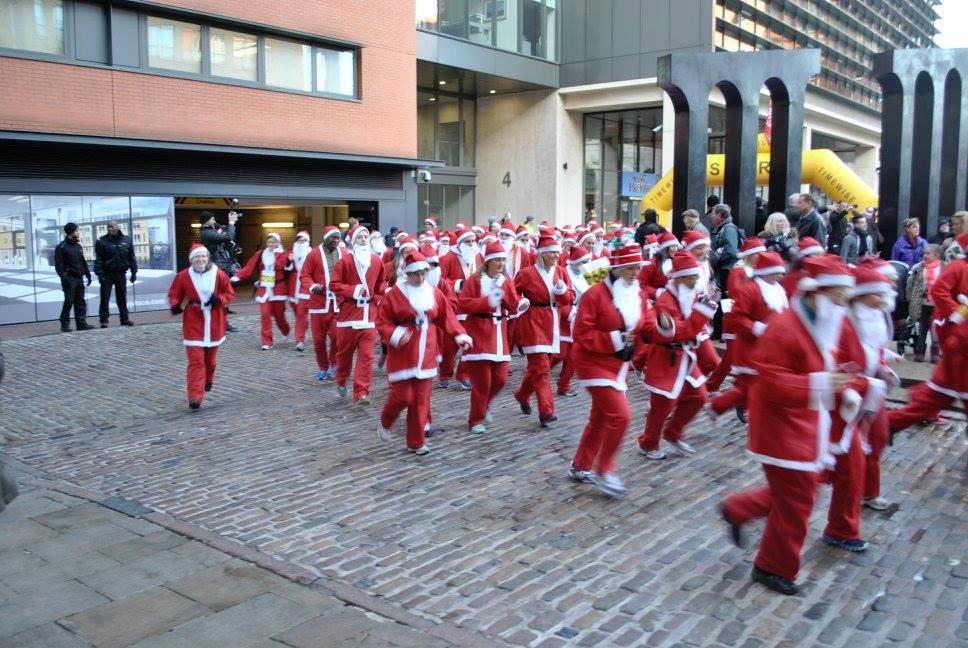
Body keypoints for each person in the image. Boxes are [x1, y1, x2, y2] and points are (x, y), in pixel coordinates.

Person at [720, 255, 890, 595]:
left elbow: (835, 362)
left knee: (798, 492)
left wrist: (850, 381)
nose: (844, 303)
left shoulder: (821, 320)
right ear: (818, 293)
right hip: (782, 429)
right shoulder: (786, 328)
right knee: (797, 499)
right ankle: (772, 566)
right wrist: (824, 384)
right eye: (839, 296)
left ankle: (739, 512)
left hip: (806, 424)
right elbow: (769, 382)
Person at [570, 243, 672, 497]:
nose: (636, 272)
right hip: (593, 362)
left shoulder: (637, 294)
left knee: (601, 416)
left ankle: (580, 465)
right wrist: (615, 339)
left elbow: (646, 328)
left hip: (619, 364)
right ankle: (605, 469)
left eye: (638, 267)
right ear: (616, 269)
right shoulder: (595, 295)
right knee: (620, 415)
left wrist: (664, 326)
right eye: (630, 268)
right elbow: (581, 333)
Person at [376, 250, 471, 455]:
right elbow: (382, 321)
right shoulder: (395, 293)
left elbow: (447, 316)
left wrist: (459, 335)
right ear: (407, 274)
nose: (419, 278)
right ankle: (386, 421)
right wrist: (396, 334)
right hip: (403, 350)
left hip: (426, 350)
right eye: (415, 274)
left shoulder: (433, 291)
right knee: (403, 396)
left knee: (420, 400)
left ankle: (416, 442)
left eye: (423, 273)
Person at [637, 252, 719, 459]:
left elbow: (691, 328)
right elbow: (682, 331)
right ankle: (649, 443)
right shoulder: (666, 301)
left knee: (699, 396)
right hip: (667, 359)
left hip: (684, 356)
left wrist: (705, 305)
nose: (695, 280)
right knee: (661, 407)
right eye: (691, 277)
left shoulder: (688, 295)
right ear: (680, 277)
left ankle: (673, 432)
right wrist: (703, 312)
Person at [888, 232, 968, 429]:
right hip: (957, 336)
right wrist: (956, 313)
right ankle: (886, 425)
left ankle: (888, 425)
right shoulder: (958, 267)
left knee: (934, 396)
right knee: (936, 395)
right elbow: (939, 290)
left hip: (960, 341)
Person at [458, 241, 528, 434]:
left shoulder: (505, 279)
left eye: (503, 260)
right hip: (479, 332)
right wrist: (487, 301)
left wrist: (505, 291)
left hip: (499, 333)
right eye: (497, 260)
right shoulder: (475, 280)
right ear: (488, 262)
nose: (500, 264)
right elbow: (463, 304)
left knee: (501, 378)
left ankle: (485, 405)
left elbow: (513, 304)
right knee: (482, 382)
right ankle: (475, 419)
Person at [708, 252, 788, 418]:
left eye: (781, 273)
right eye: (776, 273)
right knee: (749, 385)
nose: (780, 277)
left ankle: (736, 406)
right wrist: (757, 328)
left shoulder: (778, 290)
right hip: (750, 346)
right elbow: (737, 316)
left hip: (767, 347)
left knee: (755, 383)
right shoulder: (751, 289)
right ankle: (719, 405)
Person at [848, 266, 900, 512]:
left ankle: (869, 492)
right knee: (852, 448)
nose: (882, 298)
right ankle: (850, 494)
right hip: (853, 392)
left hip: (874, 389)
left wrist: (883, 366)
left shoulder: (875, 316)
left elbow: (874, 349)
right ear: (862, 294)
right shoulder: (848, 319)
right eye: (877, 294)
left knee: (877, 438)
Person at [513, 235, 575, 427]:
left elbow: (569, 298)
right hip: (533, 320)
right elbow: (513, 292)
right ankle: (546, 411)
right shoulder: (526, 273)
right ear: (542, 254)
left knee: (539, 367)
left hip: (552, 321)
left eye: (557, 252)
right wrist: (520, 302)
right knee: (542, 369)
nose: (556, 255)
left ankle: (522, 394)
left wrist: (561, 290)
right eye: (552, 252)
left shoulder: (562, 272)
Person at [168, 244, 236, 409]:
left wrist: (219, 299)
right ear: (192, 260)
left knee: (210, 362)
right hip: (194, 321)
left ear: (207, 258)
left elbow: (229, 293)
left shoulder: (218, 274)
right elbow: (174, 294)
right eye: (197, 257)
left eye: (203, 257)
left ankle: (208, 379)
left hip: (214, 321)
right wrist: (176, 305)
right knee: (196, 361)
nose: (201, 260)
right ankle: (195, 397)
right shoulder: (183, 276)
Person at [330, 226, 387, 404]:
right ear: (353, 241)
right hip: (348, 316)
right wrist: (352, 290)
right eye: (360, 238)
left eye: (366, 237)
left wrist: (378, 298)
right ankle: (341, 378)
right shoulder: (344, 262)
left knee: (366, 356)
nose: (364, 240)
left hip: (369, 316)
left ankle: (362, 391)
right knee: (345, 355)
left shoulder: (377, 261)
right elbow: (334, 284)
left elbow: (380, 285)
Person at [706, 236, 767, 396]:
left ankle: (733, 386)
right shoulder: (738, 271)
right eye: (758, 254)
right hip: (735, 318)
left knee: (736, 357)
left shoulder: (757, 272)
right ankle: (714, 385)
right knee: (731, 356)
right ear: (749, 255)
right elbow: (736, 293)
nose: (761, 258)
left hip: (748, 319)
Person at [299, 227, 346, 379]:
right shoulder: (313, 254)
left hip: (338, 302)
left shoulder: (344, 254)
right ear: (326, 238)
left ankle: (334, 362)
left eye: (338, 238)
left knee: (336, 336)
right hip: (319, 303)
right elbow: (304, 275)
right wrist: (313, 286)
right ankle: (322, 366)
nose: (336, 241)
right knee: (319, 339)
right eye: (333, 238)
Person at [233, 233, 293, 350]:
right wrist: (239, 276)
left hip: (277, 289)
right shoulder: (260, 254)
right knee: (265, 315)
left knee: (279, 316)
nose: (271, 244)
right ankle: (267, 341)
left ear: (278, 243)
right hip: (264, 289)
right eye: (269, 242)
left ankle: (285, 330)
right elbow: (249, 266)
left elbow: (282, 266)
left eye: (273, 242)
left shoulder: (283, 254)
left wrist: (277, 255)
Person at [438, 227, 480, 389]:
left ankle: (463, 374)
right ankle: (445, 372)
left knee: (471, 342)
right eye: (467, 241)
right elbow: (440, 279)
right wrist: (456, 285)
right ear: (460, 243)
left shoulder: (477, 257)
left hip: (472, 306)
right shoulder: (448, 257)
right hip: (454, 305)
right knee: (450, 346)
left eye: (472, 241)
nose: (471, 244)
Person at [199, 210, 241, 333]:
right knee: (219, 296)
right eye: (212, 219)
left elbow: (227, 238)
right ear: (206, 221)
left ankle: (221, 323)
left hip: (220, 267)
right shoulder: (207, 233)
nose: (214, 221)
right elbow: (228, 236)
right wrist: (231, 222)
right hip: (216, 268)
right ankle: (219, 324)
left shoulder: (212, 231)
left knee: (221, 296)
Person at [94, 220, 137, 328]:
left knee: (122, 297)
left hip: (121, 273)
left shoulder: (127, 240)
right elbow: (99, 259)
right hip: (107, 273)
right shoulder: (101, 241)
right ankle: (104, 320)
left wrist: (134, 272)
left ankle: (124, 319)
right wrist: (99, 274)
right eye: (108, 227)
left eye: (112, 226)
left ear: (117, 226)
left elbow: (131, 257)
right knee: (105, 298)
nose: (110, 229)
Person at [54, 222, 94, 333]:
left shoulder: (78, 246)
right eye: (76, 231)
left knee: (80, 301)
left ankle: (81, 323)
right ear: (71, 232)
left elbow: (83, 262)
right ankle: (65, 324)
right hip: (69, 279)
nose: (78, 232)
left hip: (79, 278)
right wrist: (65, 279)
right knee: (69, 301)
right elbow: (59, 266)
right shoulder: (61, 247)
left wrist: (88, 274)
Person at [906, 244, 943, 362]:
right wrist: (909, 297)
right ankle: (920, 351)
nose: (925, 255)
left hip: (938, 305)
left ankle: (935, 352)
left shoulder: (944, 268)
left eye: (928, 253)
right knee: (922, 328)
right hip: (922, 304)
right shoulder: (918, 268)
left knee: (935, 329)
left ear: (937, 255)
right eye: (924, 253)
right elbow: (910, 283)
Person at [288, 231, 312, 352]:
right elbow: (285, 269)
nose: (301, 243)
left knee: (319, 316)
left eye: (303, 241)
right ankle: (300, 340)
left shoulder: (312, 254)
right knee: (300, 314)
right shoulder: (292, 254)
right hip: (296, 288)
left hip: (309, 288)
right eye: (299, 241)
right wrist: (289, 261)